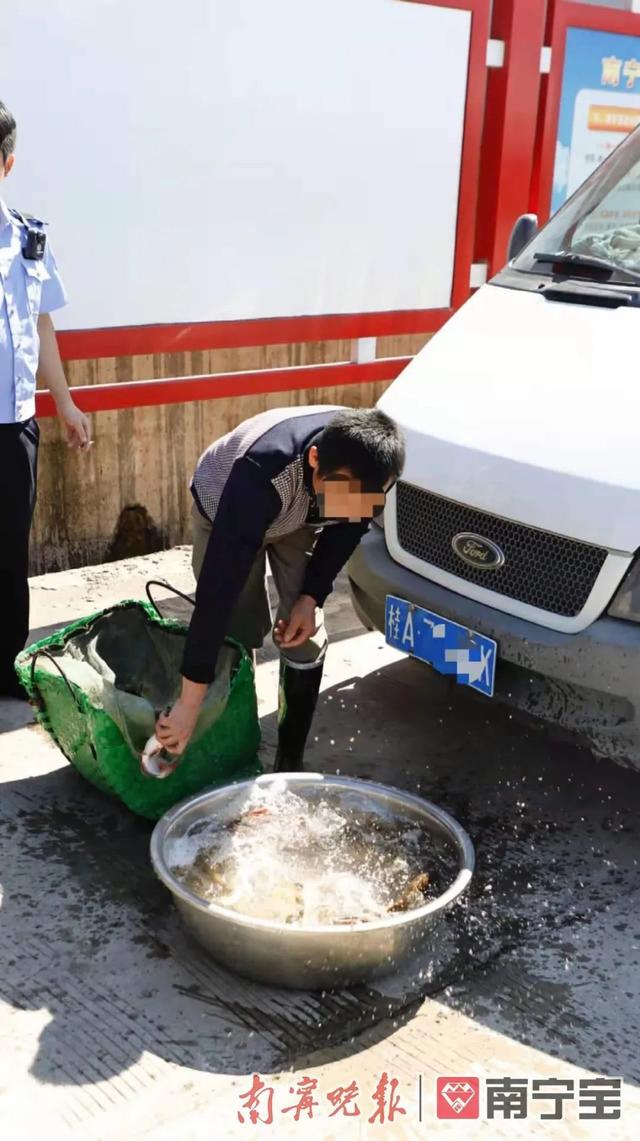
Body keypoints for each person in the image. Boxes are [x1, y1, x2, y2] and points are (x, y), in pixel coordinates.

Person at [156, 405, 405, 770]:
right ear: (316, 458)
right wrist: (188, 705)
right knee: (235, 628)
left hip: (302, 513)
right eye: (347, 493)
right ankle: (236, 741)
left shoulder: (368, 466)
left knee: (304, 631)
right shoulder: (260, 472)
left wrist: (311, 597)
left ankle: (289, 762)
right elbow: (216, 595)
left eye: (370, 497)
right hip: (228, 510)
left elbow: (349, 527)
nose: (357, 505)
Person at [0, 101, 91, 699]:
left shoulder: (31, 238)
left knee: (10, 554)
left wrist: (65, 403)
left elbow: (44, 328)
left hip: (16, 428)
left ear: (6, 164)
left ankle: (5, 669)